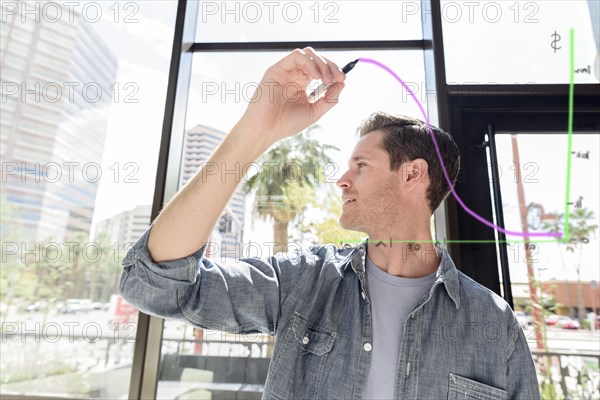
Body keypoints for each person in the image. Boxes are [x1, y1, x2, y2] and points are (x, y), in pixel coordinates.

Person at [119, 47, 541, 400]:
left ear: (412, 175)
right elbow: (157, 283)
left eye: (360, 165)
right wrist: (257, 129)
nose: (342, 180)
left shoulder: (494, 325)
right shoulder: (304, 281)